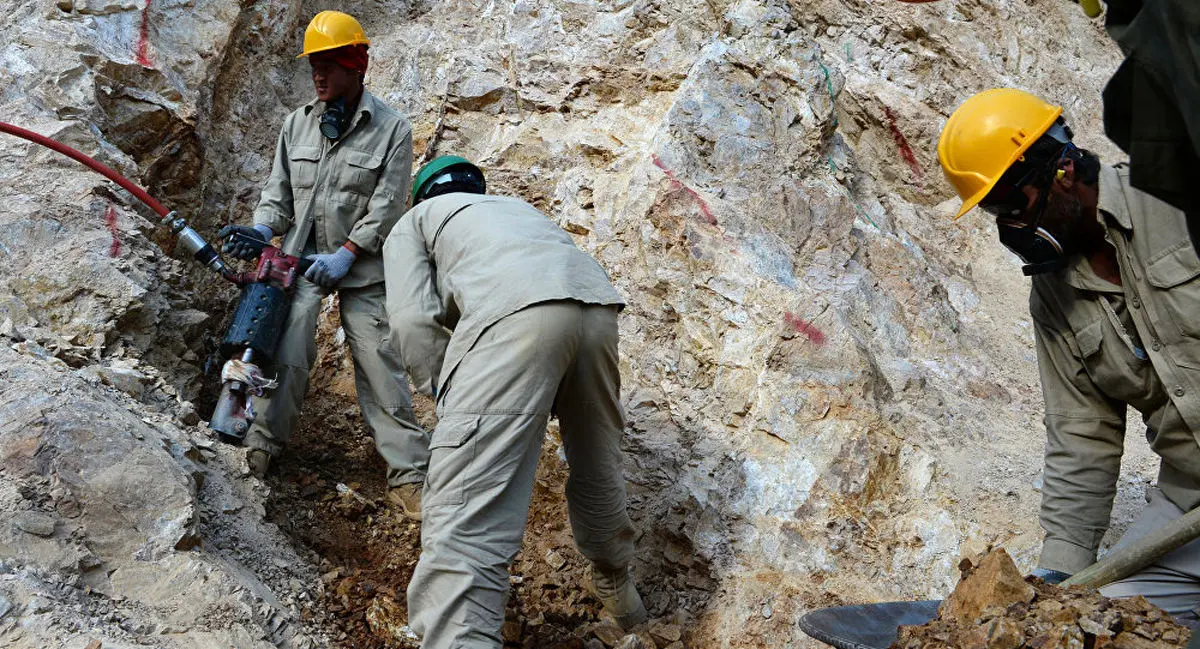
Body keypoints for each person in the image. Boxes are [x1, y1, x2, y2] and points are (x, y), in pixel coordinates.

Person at [938, 88, 1200, 620]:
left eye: (1016, 206)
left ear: (1061, 171)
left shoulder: (1176, 197)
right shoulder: (1053, 300)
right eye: (996, 213)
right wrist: (1059, 578)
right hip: (1189, 497)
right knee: (1106, 620)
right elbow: (1082, 436)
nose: (1010, 228)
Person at [382, 156, 647, 647]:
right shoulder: (516, 210)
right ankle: (619, 589)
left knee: (466, 514)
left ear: (422, 196)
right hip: (596, 310)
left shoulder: (415, 221)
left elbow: (410, 321)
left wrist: (452, 397)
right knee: (597, 461)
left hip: (516, 313)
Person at [217, 10, 428, 518]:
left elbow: (387, 204)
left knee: (381, 365)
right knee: (286, 351)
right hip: (300, 262)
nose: (319, 74)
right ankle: (261, 446)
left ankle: (410, 476)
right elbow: (278, 196)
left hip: (361, 266)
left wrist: (348, 254)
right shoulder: (297, 124)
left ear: (357, 66)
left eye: (329, 64)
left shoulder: (392, 128)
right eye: (314, 63)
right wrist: (264, 230)